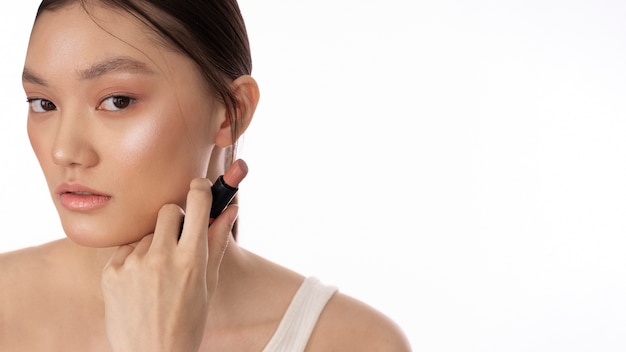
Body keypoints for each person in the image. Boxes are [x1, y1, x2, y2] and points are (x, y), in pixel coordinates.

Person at [0, 0, 411, 350]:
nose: (64, 150)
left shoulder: (353, 341)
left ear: (232, 112)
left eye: (117, 101)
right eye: (43, 103)